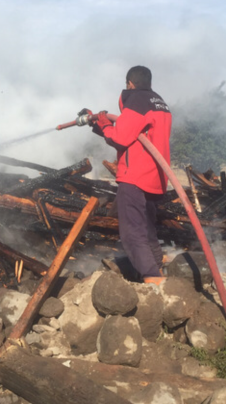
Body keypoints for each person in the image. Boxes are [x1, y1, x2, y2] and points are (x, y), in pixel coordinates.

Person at [84, 66, 172, 284]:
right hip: (156, 175)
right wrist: (98, 124)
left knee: (132, 231)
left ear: (129, 83)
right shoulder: (159, 102)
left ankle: (152, 277)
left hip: (136, 175)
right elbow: (135, 134)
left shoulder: (136, 102)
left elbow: (121, 138)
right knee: (147, 226)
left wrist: (105, 125)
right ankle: (157, 265)